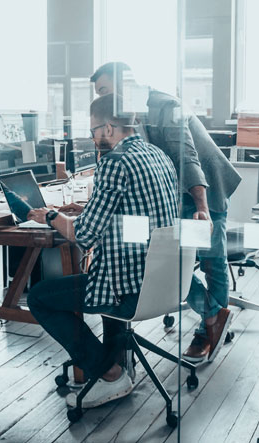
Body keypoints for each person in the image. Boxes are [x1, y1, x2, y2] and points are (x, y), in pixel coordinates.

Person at [25, 94, 178, 409]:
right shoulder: (158, 154)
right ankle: (114, 364)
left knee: (39, 298)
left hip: (129, 289)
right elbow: (140, 212)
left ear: (108, 128)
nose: (93, 138)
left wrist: (50, 216)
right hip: (163, 283)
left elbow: (83, 235)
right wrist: (87, 209)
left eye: (93, 130)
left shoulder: (114, 161)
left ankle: (109, 373)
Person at [91, 62, 241, 363]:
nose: (103, 98)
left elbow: (187, 157)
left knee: (211, 261)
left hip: (205, 187)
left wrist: (202, 208)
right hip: (172, 191)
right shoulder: (124, 116)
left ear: (124, 83)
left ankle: (208, 331)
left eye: (104, 90)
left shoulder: (165, 106)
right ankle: (215, 316)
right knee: (165, 258)